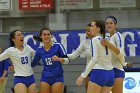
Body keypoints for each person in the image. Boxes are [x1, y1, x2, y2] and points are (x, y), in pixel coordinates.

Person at [76, 20, 125, 93]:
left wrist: (82, 76)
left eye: (92, 26)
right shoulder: (108, 39)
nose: (90, 28)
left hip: (99, 73)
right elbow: (119, 52)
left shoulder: (94, 39)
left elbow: (94, 59)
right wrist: (124, 64)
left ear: (98, 29)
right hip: (110, 74)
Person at [32, 27, 69, 93]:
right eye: (44, 34)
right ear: (41, 36)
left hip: (57, 77)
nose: (46, 36)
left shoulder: (58, 46)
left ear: (51, 36)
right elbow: (33, 63)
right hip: (45, 77)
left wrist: (59, 59)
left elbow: (67, 60)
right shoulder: (39, 50)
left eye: (48, 34)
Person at [67, 23, 94, 90]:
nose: (87, 33)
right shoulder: (85, 42)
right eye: (86, 31)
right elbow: (74, 55)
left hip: (100, 71)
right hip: (88, 72)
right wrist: (61, 55)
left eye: (89, 31)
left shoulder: (102, 41)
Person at [105, 16, 125, 93]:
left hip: (117, 70)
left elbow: (121, 53)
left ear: (115, 25)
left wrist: (124, 63)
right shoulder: (106, 37)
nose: (109, 25)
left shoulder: (118, 36)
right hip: (107, 70)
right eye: (107, 23)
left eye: (111, 23)